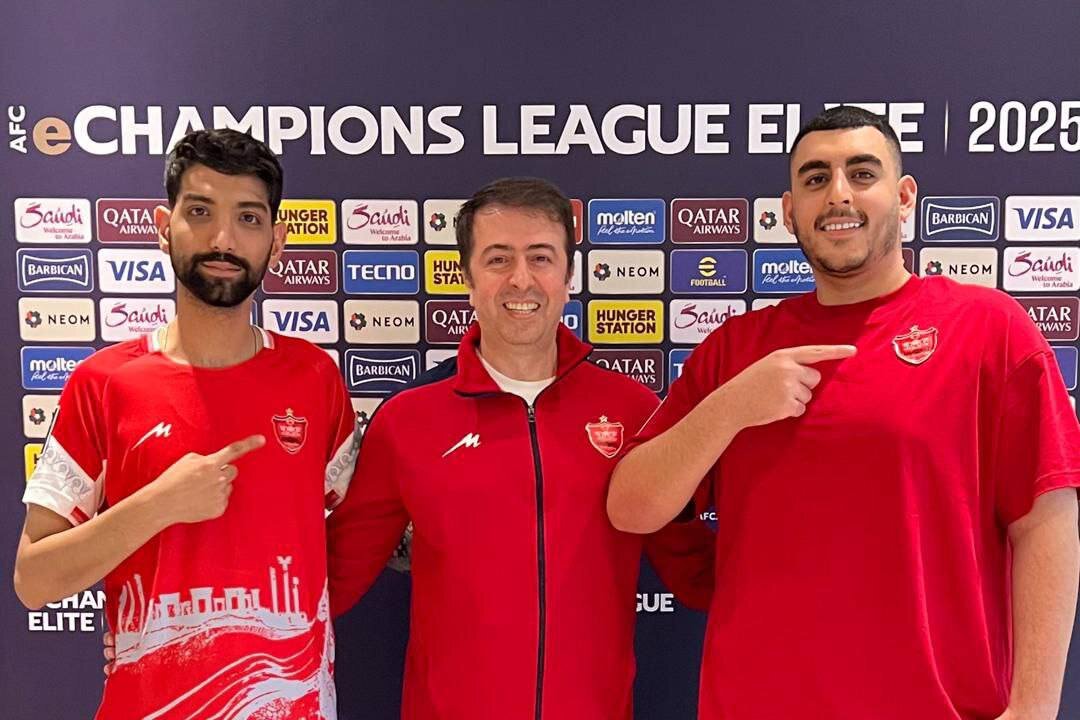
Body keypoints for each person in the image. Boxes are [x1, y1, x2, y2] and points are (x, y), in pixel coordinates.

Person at [608, 106, 1080, 720]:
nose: (838, 195)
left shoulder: (989, 330)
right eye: (815, 178)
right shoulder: (736, 349)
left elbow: (1046, 521)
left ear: (904, 197)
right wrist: (731, 408)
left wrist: (1034, 709)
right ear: (789, 211)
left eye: (862, 174)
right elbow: (632, 507)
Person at [327, 177, 714, 719]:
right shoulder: (406, 421)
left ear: (568, 276)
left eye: (540, 257)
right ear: (467, 279)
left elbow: (696, 571)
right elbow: (332, 579)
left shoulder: (633, 411)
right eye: (498, 259)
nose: (521, 279)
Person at [14, 129, 357, 720]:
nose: (223, 239)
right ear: (162, 226)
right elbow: (34, 580)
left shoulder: (315, 378)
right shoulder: (103, 383)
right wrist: (159, 504)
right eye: (200, 212)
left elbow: (360, 536)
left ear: (276, 242)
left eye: (248, 218)